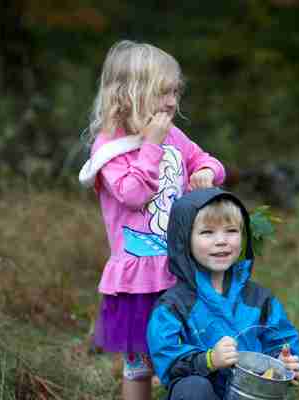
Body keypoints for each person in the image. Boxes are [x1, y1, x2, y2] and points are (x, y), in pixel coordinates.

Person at [78, 40, 226, 400]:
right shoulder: (109, 147)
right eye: (163, 92)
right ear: (129, 94)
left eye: (175, 91)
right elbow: (132, 195)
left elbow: (208, 161)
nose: (173, 102)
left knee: (192, 353)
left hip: (180, 270)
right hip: (138, 280)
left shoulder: (174, 135)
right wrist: (152, 145)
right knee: (139, 366)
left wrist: (205, 171)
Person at [147, 188, 299, 399]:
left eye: (231, 230)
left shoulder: (259, 299)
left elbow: (281, 340)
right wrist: (209, 360)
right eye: (207, 232)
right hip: (203, 392)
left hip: (250, 391)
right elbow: (168, 362)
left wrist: (283, 361)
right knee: (192, 388)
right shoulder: (173, 306)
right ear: (185, 240)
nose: (221, 240)